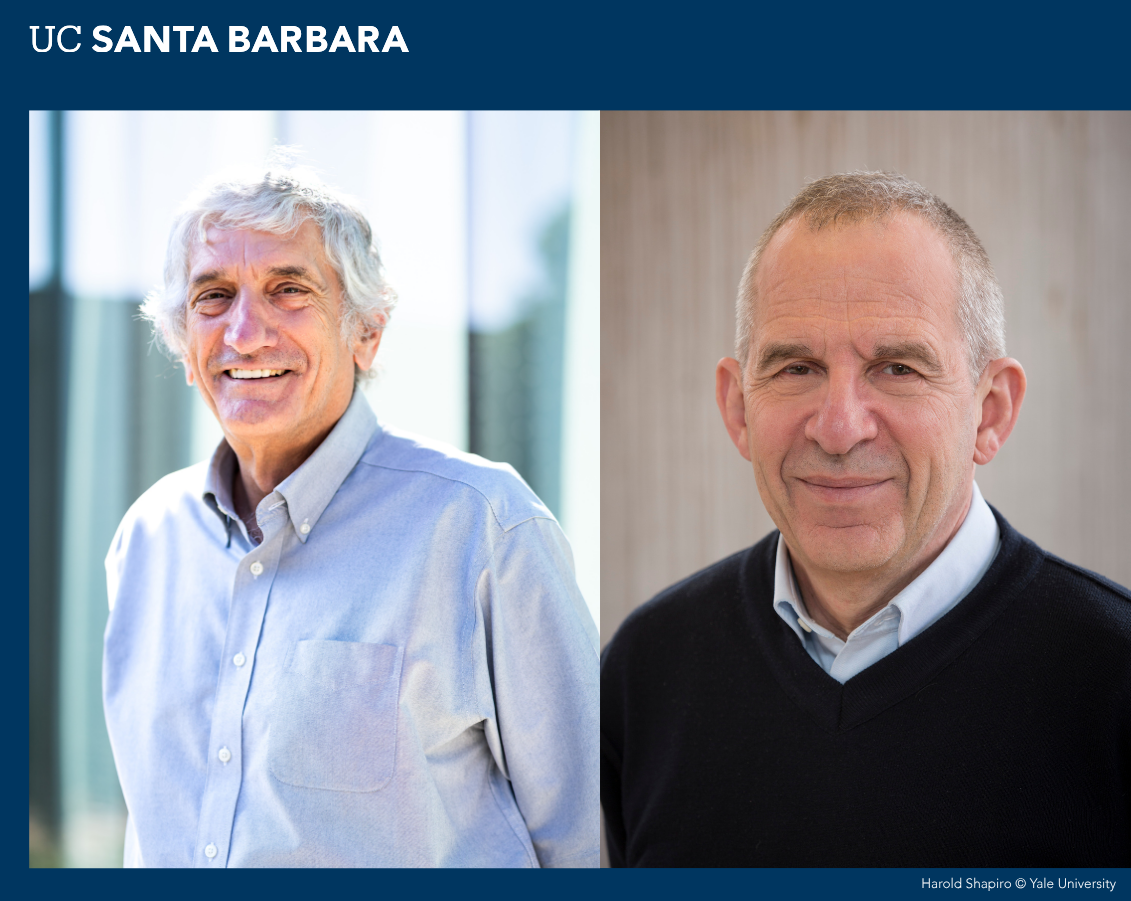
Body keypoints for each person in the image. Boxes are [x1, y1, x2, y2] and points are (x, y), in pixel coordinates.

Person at [600, 171, 1131, 866]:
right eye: (795, 368)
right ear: (737, 409)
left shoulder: (1113, 678)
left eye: (897, 367)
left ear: (990, 410)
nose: (839, 428)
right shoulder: (644, 671)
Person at [103, 161, 599, 868]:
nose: (245, 333)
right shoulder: (145, 541)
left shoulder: (482, 528)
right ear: (184, 343)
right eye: (214, 296)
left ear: (366, 332)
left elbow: (578, 839)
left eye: (288, 290)